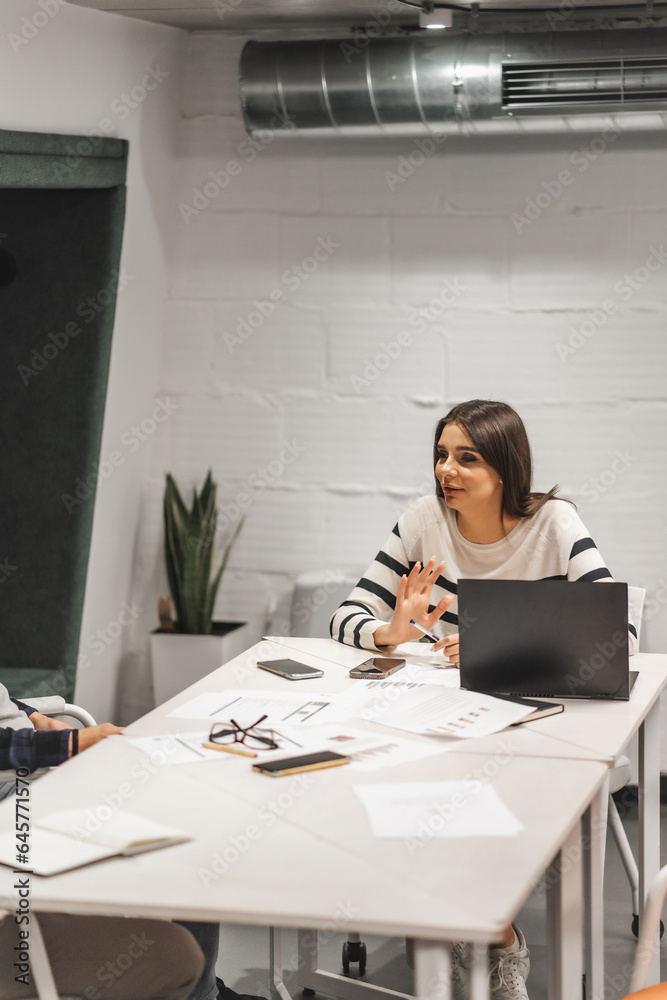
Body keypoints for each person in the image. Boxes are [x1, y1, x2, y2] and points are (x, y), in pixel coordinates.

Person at [330, 398, 637, 1000]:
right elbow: (345, 617)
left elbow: (616, 636)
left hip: (539, 718)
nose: (447, 470)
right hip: (441, 714)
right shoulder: (421, 521)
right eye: (441, 455)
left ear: (505, 469)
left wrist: (494, 649)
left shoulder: (555, 525)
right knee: (397, 774)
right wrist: (393, 631)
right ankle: (488, 932)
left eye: (466, 458)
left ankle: (483, 931)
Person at [0, 686, 266, 1000]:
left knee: (186, 813)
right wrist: (74, 742)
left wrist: (33, 715)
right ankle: (195, 991)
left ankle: (202, 991)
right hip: (13, 788)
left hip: (30, 771)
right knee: (171, 819)